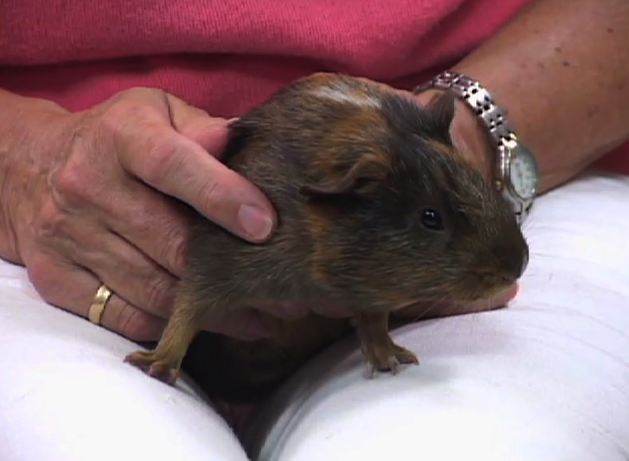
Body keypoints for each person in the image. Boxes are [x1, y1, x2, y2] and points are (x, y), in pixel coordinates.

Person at [0, 0, 628, 458]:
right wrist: (22, 159)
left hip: (530, 141)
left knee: (475, 440)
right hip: (56, 217)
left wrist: (476, 134)